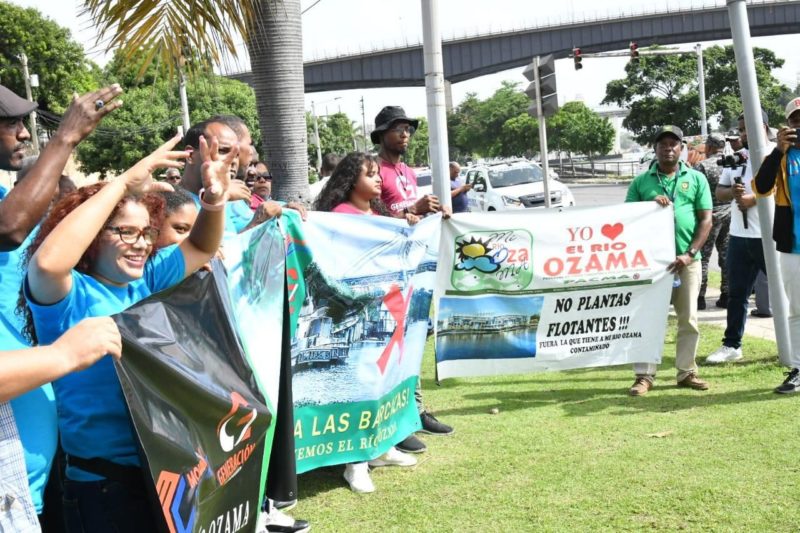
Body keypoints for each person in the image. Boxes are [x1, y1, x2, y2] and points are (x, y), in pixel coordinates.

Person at [20, 133, 233, 532]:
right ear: (92, 236)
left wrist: (215, 197)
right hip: (104, 487)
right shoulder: (66, 296)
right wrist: (120, 184)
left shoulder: (146, 278)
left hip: (165, 470)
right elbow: (48, 263)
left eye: (146, 232)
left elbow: (202, 246)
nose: (140, 244)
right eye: (124, 232)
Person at [0, 83, 121, 531]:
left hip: (30, 469)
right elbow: (10, 228)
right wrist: (66, 137)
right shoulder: (8, 212)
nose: (23, 133)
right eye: (10, 122)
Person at [313, 152, 418, 494]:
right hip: (355, 312)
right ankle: (355, 463)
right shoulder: (338, 217)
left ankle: (382, 447)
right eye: (370, 174)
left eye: (377, 174)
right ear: (349, 180)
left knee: (383, 378)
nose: (377, 180)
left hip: (388, 308)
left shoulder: (381, 215)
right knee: (358, 381)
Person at [371, 105, 453, 453]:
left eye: (408, 128)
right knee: (391, 345)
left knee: (415, 337)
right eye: (397, 128)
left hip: (412, 268)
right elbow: (370, 212)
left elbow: (409, 212)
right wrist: (410, 211)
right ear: (381, 134)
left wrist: (432, 212)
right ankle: (395, 418)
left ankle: (415, 411)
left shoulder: (405, 169)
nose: (405, 134)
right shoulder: (373, 169)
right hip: (384, 270)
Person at [626, 125, 712, 396]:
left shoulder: (696, 178)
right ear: (655, 149)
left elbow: (705, 220)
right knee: (648, 320)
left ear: (681, 147)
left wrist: (689, 254)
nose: (668, 148)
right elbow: (626, 220)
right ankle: (644, 376)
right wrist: (650, 204)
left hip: (687, 262)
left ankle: (686, 371)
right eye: (663, 144)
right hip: (652, 264)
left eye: (673, 143)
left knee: (688, 319)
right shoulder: (642, 182)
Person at [705, 110, 775, 364]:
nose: (743, 133)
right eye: (741, 128)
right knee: (737, 293)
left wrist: (753, 199)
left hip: (769, 236)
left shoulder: (776, 153)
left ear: (764, 127)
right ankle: (732, 345)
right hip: (739, 234)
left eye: (748, 128)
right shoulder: (737, 157)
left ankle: (791, 345)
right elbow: (720, 191)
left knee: (786, 293)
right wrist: (733, 193)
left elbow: (782, 186)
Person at [753, 97, 800, 393]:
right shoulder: (781, 155)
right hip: (792, 246)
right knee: (797, 310)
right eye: (795, 121)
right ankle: (798, 367)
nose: (799, 125)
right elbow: (760, 188)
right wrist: (776, 151)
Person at [693, 133, 730, 310]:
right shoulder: (732, 163)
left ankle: (699, 297)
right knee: (726, 256)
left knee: (703, 258)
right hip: (731, 215)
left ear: (708, 147)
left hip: (710, 217)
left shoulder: (702, 166)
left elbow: (696, 193)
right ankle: (726, 295)